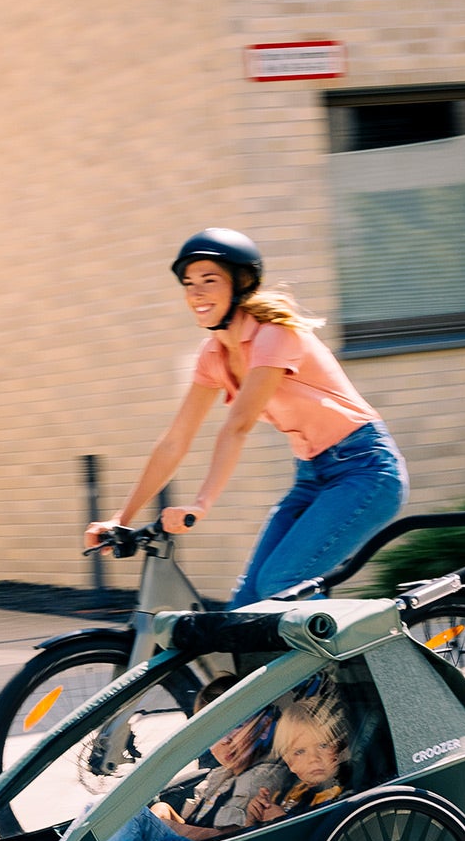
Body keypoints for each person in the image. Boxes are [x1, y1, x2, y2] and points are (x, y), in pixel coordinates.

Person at [89, 228, 408, 607]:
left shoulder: (274, 335)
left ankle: (357, 664)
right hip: (312, 475)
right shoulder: (213, 356)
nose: (196, 292)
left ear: (240, 284)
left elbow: (237, 426)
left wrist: (201, 504)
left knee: (282, 582)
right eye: (189, 283)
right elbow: (176, 439)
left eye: (210, 280)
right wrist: (121, 517)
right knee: (247, 603)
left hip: (365, 468)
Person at [104, 692, 349, 841]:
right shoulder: (292, 790)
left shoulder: (269, 780)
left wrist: (280, 821)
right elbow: (253, 834)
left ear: (337, 749)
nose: (313, 758)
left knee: (130, 815)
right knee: (135, 812)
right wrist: (256, 819)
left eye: (323, 746)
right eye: (300, 752)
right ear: (290, 761)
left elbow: (241, 839)